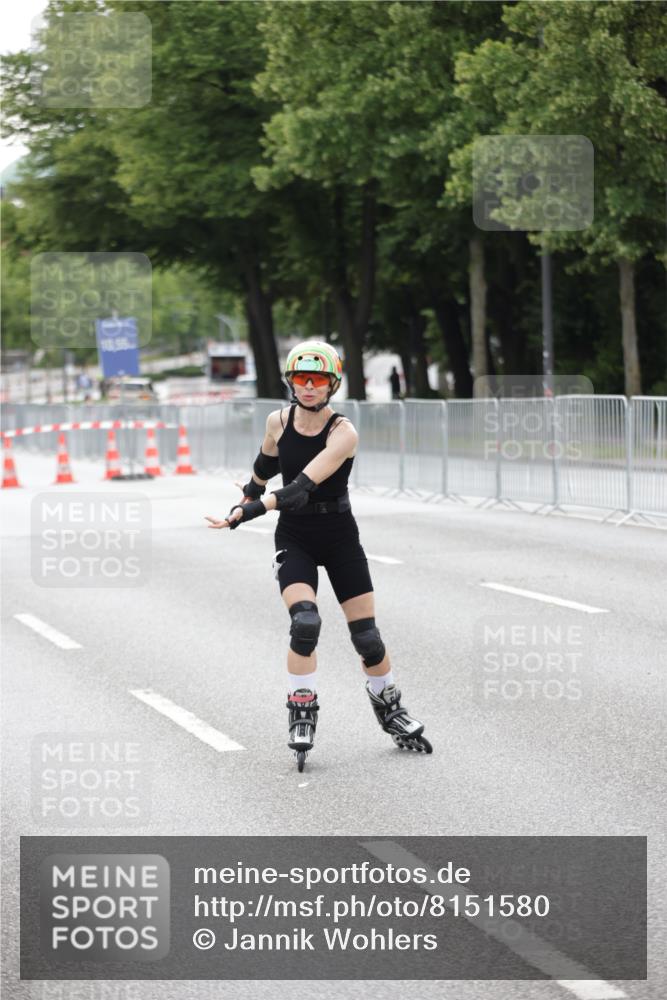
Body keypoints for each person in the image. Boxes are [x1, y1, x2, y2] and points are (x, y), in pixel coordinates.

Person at [206, 340, 431, 771]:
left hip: (339, 535)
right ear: (290, 382)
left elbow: (297, 490)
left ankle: (389, 706)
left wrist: (251, 511)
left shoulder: (343, 433)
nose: (309, 387)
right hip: (296, 537)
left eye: (318, 379)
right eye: (301, 379)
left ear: (332, 384)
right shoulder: (278, 420)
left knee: (367, 637)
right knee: (305, 622)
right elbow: (265, 462)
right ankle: (301, 707)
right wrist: (248, 492)